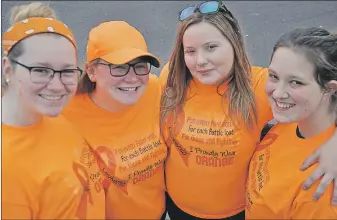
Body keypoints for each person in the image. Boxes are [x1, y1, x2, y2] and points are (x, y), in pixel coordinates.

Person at [159, 1, 337, 219]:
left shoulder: (261, 85)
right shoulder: (172, 79)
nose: (201, 61)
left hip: (235, 212)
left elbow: (320, 95)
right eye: (191, 51)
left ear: (233, 43)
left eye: (211, 47)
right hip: (178, 207)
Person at [2, 2, 105, 219]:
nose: (58, 86)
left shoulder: (50, 113)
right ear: (7, 68)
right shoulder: (6, 170)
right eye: (40, 70)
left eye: (67, 71)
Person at [62, 21, 167, 219]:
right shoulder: (65, 113)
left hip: (157, 214)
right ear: (91, 71)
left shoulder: (154, 90)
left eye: (139, 66)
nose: (132, 78)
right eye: (119, 68)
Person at [246, 27, 337, 219]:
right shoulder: (293, 118)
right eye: (274, 76)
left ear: (330, 89)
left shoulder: (320, 190)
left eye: (296, 82)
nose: (278, 93)